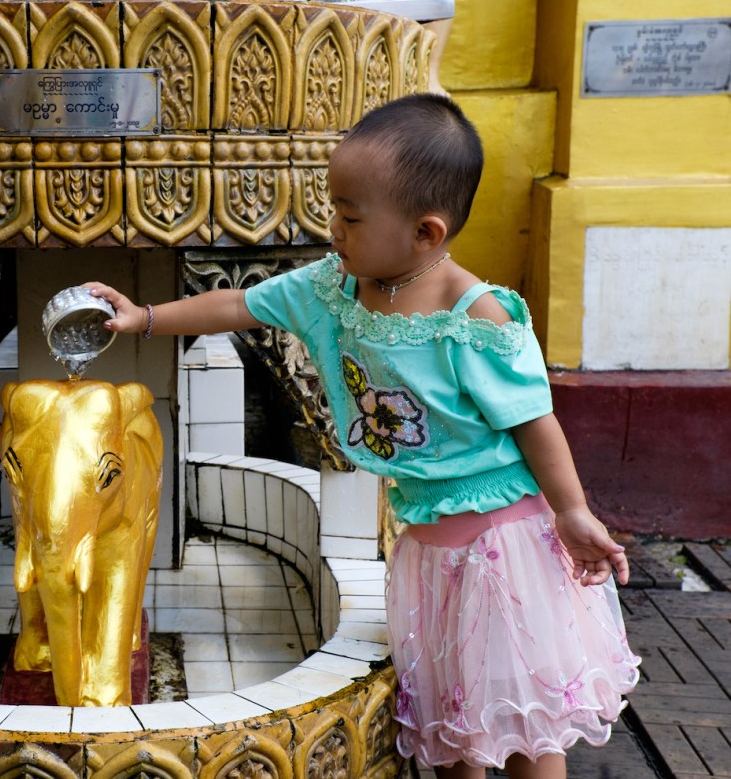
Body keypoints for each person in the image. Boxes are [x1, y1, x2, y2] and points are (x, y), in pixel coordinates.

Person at [85, 93, 639, 779]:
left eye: (350, 218)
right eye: (335, 211)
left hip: (503, 547)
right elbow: (239, 303)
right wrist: (144, 317)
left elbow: (534, 419)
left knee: (526, 722)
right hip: (427, 549)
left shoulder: (474, 318)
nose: (334, 230)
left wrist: (572, 510)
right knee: (452, 719)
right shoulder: (333, 289)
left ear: (425, 233)